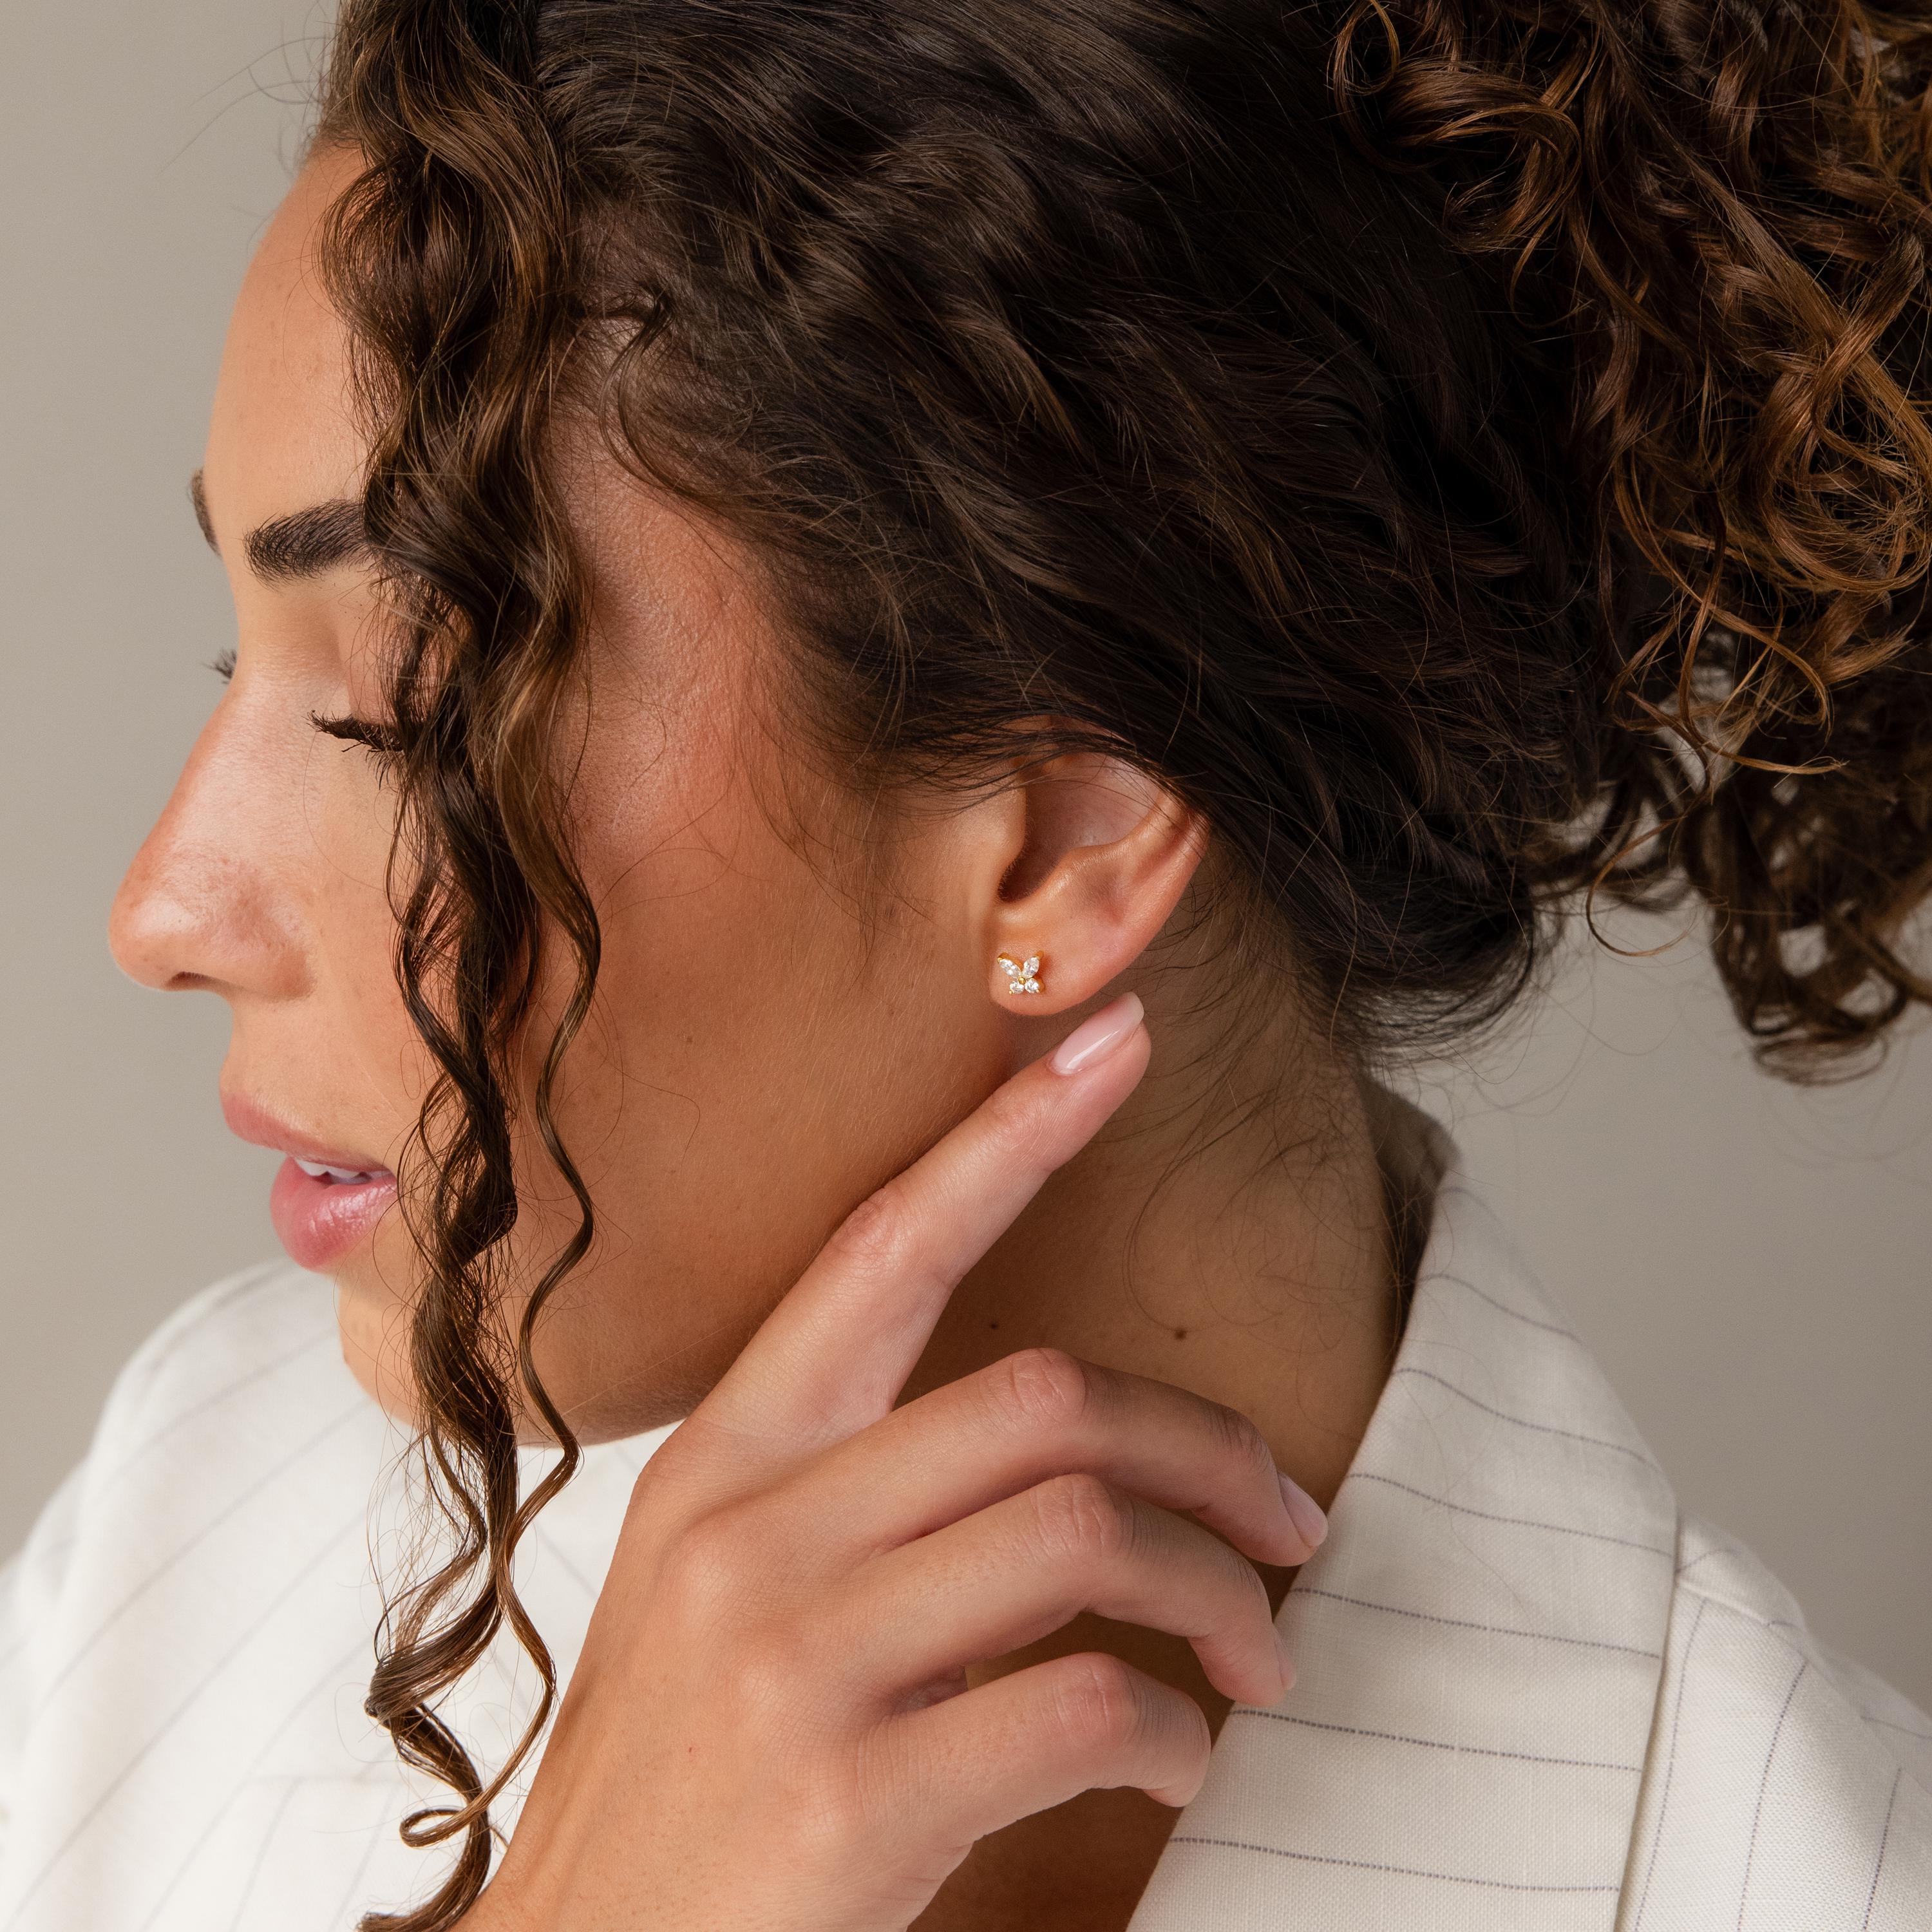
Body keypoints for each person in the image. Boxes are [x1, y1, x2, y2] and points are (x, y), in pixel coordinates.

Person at [3, 0, 1929, 1926]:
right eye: (231, 654)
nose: (164, 910)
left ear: (1061, 839)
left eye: (402, 709)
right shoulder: (195, 1525)